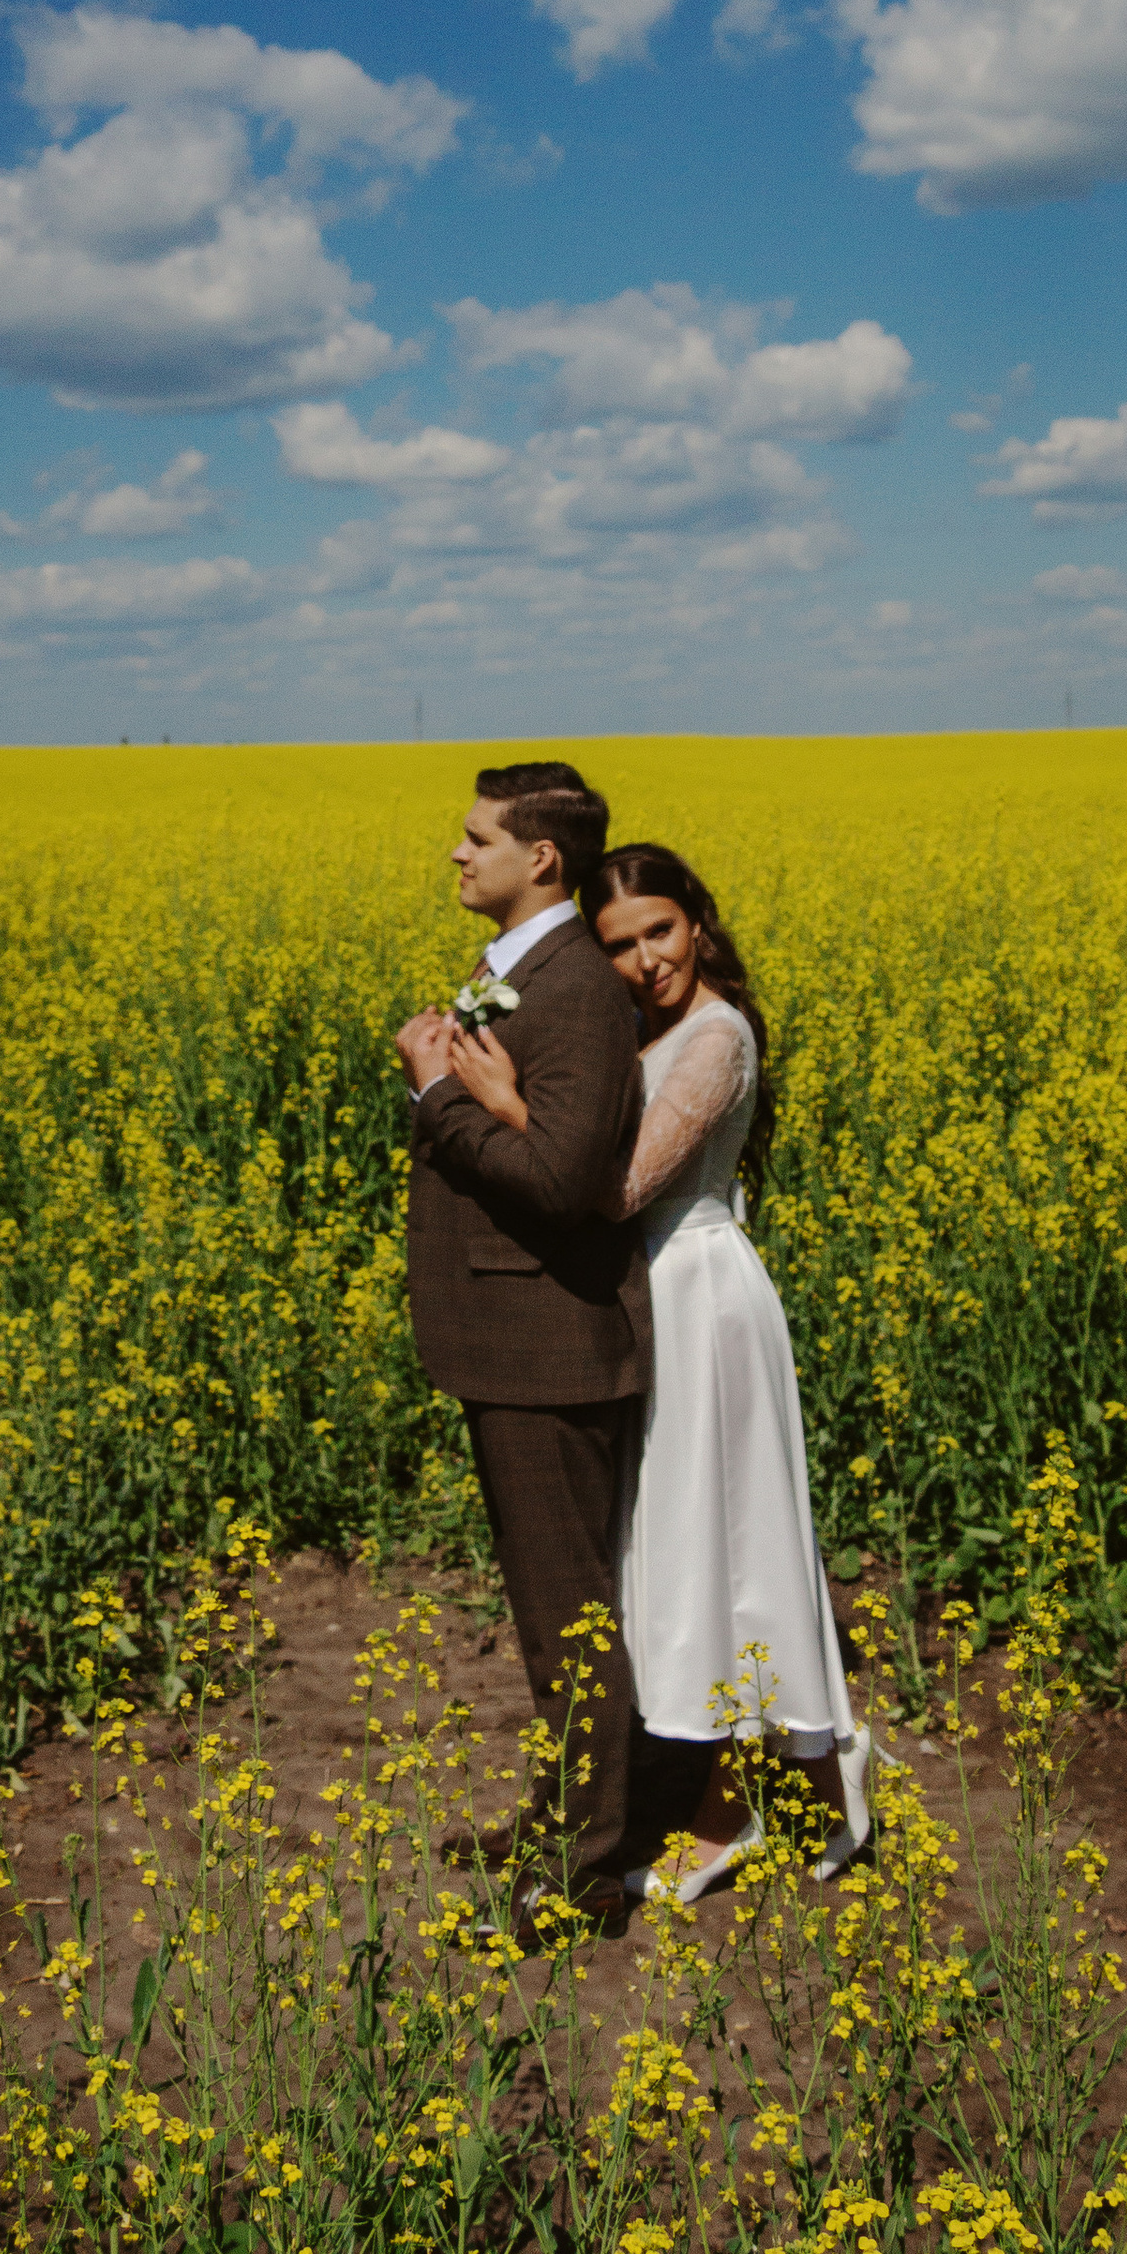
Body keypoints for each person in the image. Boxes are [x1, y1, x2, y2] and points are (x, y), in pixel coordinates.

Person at [441, 840, 882, 1906]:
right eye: (618, 945)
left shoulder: (717, 1037)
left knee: (723, 1542)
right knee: (667, 1546)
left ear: (698, 923)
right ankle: (678, 1778)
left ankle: (731, 1807)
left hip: (701, 1304)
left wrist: (498, 1101)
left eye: (660, 932)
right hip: (646, 1303)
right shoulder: (648, 1029)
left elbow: (619, 1187)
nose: (645, 961)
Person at [396, 760, 648, 1938]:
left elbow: (559, 1183)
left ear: (540, 858)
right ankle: (561, 1822)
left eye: (475, 837)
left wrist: (437, 1093)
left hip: (549, 1345)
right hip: (513, 1342)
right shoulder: (523, 974)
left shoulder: (577, 993)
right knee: (553, 1611)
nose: (457, 853)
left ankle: (588, 1871)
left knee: (570, 1615)